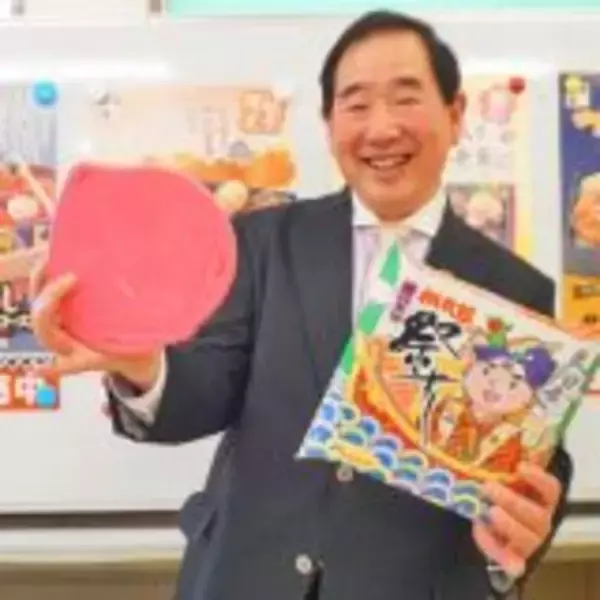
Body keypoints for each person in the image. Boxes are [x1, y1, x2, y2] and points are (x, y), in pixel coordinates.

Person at [30, 10, 598, 600]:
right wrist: (143, 366)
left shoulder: (515, 289)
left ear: (456, 116)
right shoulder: (263, 241)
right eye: (356, 104)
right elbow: (207, 391)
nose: (381, 128)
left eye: (406, 99)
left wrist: (521, 535)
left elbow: (529, 465)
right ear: (329, 126)